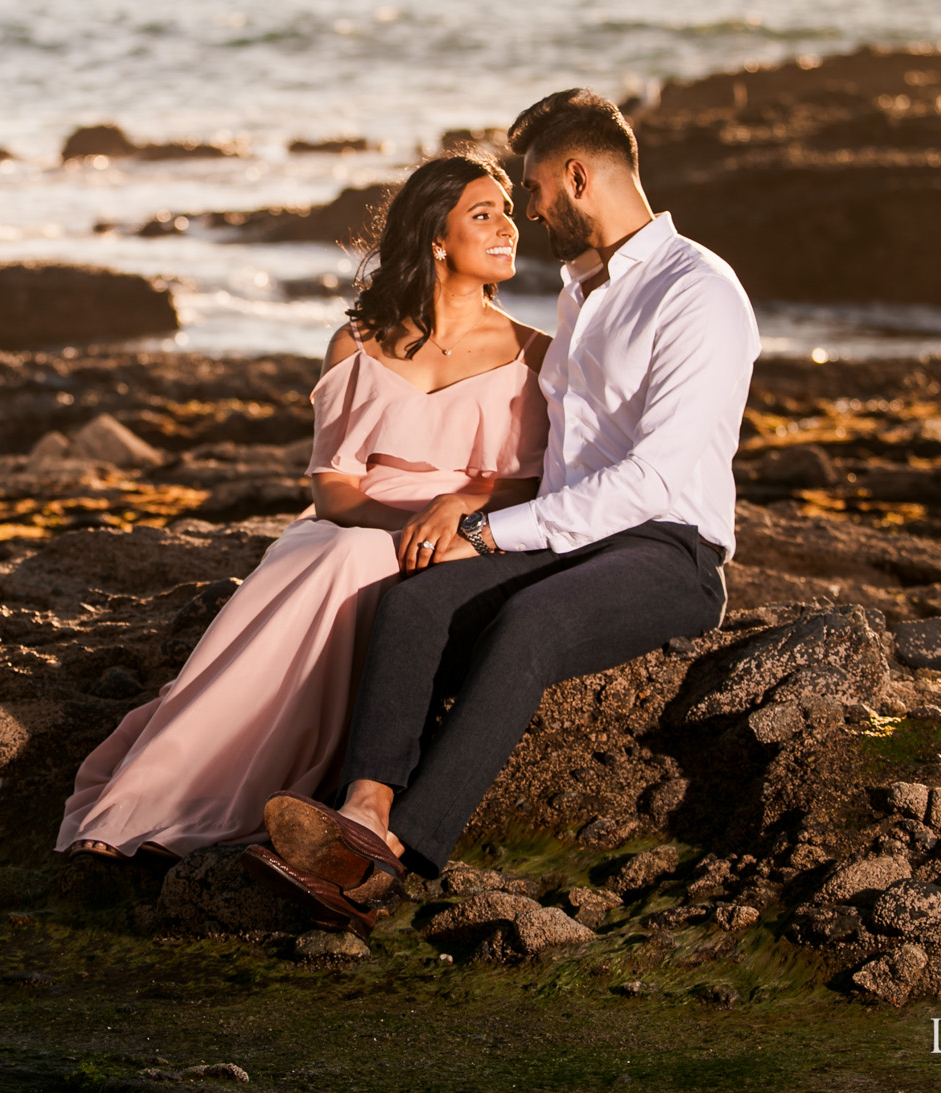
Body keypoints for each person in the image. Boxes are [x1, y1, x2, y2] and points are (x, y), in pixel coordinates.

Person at [256, 88, 760, 908]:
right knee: (415, 601)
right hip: (568, 538)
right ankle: (361, 805)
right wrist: (474, 512)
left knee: (532, 623)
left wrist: (492, 535)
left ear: (574, 175)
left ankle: (393, 852)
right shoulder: (582, 293)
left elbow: (656, 478)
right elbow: (547, 456)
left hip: (667, 548)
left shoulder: (696, 291)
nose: (525, 210)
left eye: (529, 190)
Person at [57, 151, 551, 872]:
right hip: (350, 530)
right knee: (336, 554)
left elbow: (534, 484)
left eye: (509, 211)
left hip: (461, 540)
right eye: (485, 213)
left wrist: (462, 503)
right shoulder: (356, 342)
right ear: (436, 237)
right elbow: (334, 492)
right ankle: (150, 797)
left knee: (343, 561)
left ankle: (193, 791)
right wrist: (398, 528)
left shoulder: (533, 354)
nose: (509, 225)